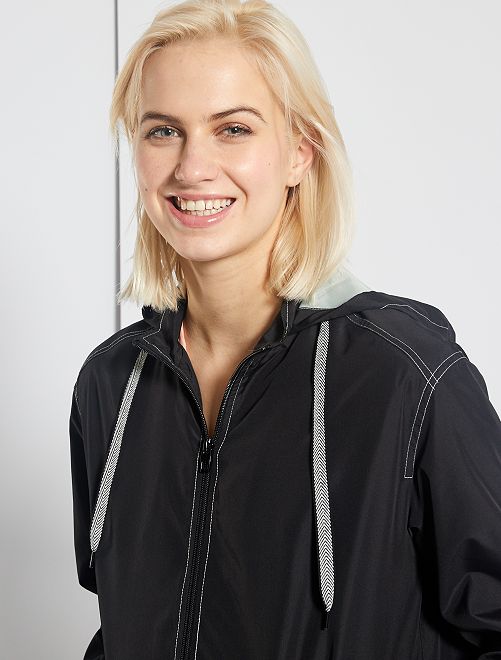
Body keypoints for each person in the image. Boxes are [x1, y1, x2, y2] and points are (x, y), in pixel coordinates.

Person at [69, 0, 501, 658]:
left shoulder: (404, 374)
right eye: (163, 131)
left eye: (233, 129)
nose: (191, 166)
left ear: (300, 151)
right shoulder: (111, 383)